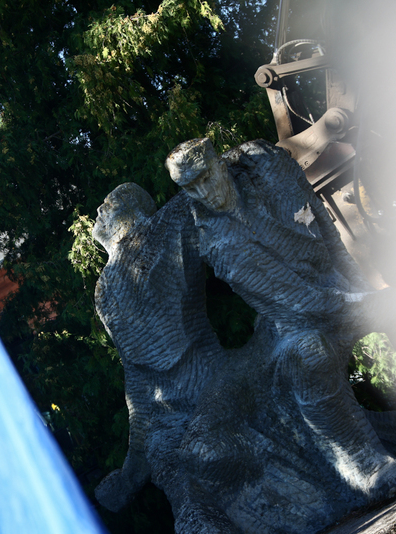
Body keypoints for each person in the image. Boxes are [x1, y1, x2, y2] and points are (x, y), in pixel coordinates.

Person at [166, 138, 396, 500]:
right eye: (191, 187)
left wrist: (360, 284)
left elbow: (321, 221)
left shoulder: (265, 164)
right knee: (308, 355)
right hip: (293, 320)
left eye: (206, 177)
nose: (204, 192)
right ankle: (367, 466)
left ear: (219, 163)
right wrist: (364, 303)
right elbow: (299, 302)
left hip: (335, 284)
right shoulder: (219, 246)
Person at [92, 183, 235, 531]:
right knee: (164, 455)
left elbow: (201, 190)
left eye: (107, 204)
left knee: (203, 444)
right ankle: (199, 522)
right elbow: (135, 373)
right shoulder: (105, 290)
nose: (99, 210)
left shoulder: (166, 227)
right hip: (167, 405)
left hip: (210, 378)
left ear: (129, 211)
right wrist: (131, 469)